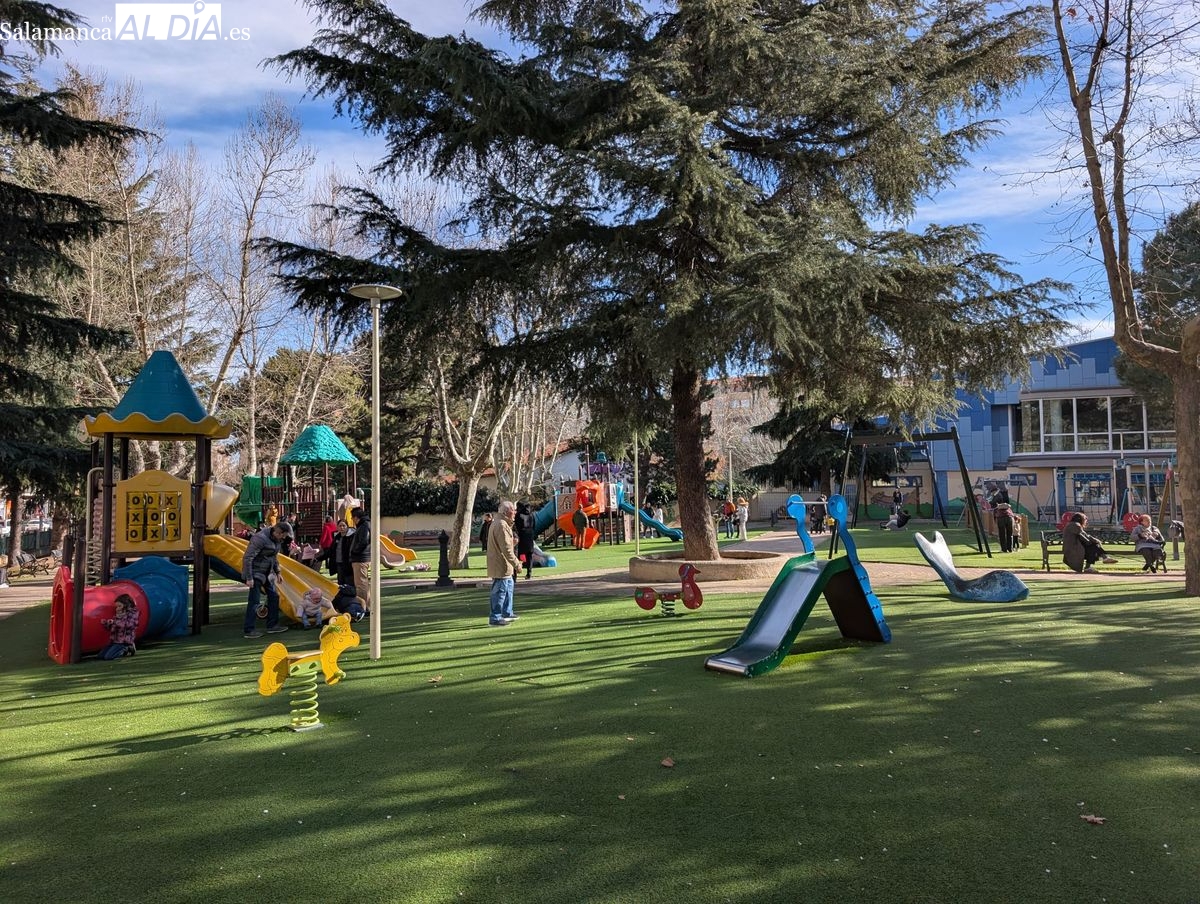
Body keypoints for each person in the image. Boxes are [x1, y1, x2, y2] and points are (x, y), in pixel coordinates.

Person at [241, 521, 293, 638]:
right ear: (278, 532)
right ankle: (249, 629)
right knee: (254, 600)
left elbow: (273, 557)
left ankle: (272, 625)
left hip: (267, 572)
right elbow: (248, 557)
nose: (283, 538)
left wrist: (278, 572)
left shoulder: (277, 539)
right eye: (282, 536)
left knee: (274, 596)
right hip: (255, 572)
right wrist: (249, 578)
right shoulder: (259, 539)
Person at [486, 500, 523, 625]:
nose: (515, 513)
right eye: (514, 510)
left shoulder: (500, 523)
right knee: (500, 591)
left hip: (502, 564)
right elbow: (506, 549)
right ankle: (495, 617)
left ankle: (507, 612)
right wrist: (517, 564)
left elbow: (504, 544)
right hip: (501, 563)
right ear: (507, 512)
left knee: (508, 588)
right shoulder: (501, 525)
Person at [98, 593, 139, 659]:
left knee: (108, 657)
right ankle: (121, 649)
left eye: (119, 606)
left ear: (126, 605)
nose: (117, 609)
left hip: (124, 641)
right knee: (100, 656)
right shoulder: (119, 614)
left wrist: (116, 621)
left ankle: (128, 647)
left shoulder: (132, 613)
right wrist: (108, 624)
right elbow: (114, 627)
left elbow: (129, 625)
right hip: (115, 640)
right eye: (116, 607)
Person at [348, 506, 372, 613]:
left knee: (361, 584)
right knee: (363, 583)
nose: (352, 521)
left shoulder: (364, 526)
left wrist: (354, 552)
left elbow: (363, 542)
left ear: (356, 517)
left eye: (353, 518)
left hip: (361, 558)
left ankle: (363, 607)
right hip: (362, 557)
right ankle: (367, 606)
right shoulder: (365, 525)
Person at [515, 500, 536, 580]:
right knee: (529, 555)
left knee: (517, 554)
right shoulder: (531, 515)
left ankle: (515, 573)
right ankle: (529, 573)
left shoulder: (519, 515)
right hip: (530, 536)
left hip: (521, 536)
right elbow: (534, 525)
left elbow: (517, 526)